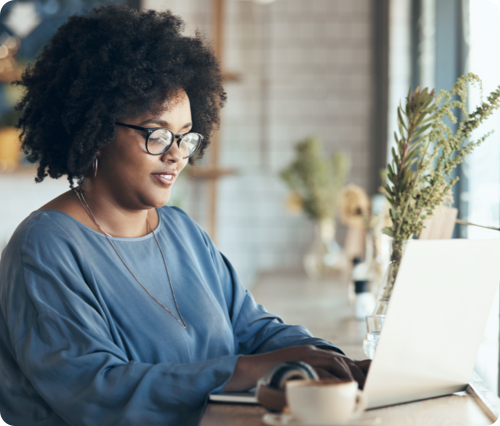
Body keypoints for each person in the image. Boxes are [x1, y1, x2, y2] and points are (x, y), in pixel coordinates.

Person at [0, 5, 369, 426]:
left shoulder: (182, 231)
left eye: (186, 136)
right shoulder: (44, 247)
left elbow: (254, 330)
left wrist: (334, 362)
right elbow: (96, 392)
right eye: (156, 134)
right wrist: (246, 370)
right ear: (97, 131)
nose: (176, 154)